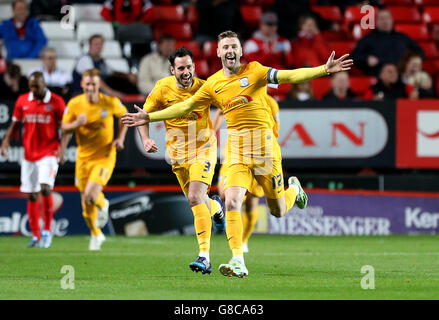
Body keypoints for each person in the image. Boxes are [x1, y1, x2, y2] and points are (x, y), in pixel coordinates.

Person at [121, 30, 353, 277]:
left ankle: (293, 190)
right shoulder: (212, 84)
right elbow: (186, 106)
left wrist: (322, 70)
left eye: (234, 46)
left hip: (265, 150)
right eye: (225, 47)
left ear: (241, 51)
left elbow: (289, 76)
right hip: (237, 149)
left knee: (277, 210)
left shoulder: (256, 71)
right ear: (218, 52)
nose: (230, 51)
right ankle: (237, 260)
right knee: (231, 200)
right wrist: (150, 117)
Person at [130, 47, 225, 274]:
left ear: (194, 67)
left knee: (194, 198)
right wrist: (145, 139)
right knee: (199, 200)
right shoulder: (162, 88)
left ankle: (204, 257)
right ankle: (216, 207)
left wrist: (216, 129)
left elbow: (225, 107)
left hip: (203, 150)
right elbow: (144, 115)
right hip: (177, 155)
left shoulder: (204, 87)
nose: (186, 71)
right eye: (181, 68)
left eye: (189, 67)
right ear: (172, 69)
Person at [62, 68, 128, 251]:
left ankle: (104, 203)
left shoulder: (109, 102)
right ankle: (96, 233)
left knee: (91, 194)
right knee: (86, 203)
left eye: (94, 84)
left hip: (104, 156)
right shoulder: (75, 104)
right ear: (82, 84)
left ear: (99, 86)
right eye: (87, 84)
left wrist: (120, 138)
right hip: (83, 158)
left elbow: (125, 117)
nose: (90, 87)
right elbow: (64, 127)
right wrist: (76, 124)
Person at [1, 72, 68, 248]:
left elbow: (65, 128)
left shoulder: (56, 102)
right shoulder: (23, 100)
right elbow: (15, 124)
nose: (33, 89)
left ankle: (47, 231)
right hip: (29, 154)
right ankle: (36, 236)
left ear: (43, 83)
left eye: (36, 86)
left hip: (49, 152)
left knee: (45, 189)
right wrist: (6, 140)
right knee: (31, 194)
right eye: (31, 86)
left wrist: (62, 149)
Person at [213, 94, 280, 253]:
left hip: (260, 154)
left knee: (252, 201)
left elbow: (275, 131)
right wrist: (210, 135)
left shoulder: (271, 104)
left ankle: (243, 240)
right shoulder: (235, 94)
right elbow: (220, 112)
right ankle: (223, 212)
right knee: (224, 194)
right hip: (235, 151)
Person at [351, 8, 424, 76]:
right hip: (379, 77)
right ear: (376, 21)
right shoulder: (368, 39)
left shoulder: (402, 37)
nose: (385, 21)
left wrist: (413, 62)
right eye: (382, 19)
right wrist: (366, 58)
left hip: (402, 76)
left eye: (387, 18)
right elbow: (354, 56)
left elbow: (419, 52)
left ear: (392, 20)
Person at [72, 34, 138, 98]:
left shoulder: (101, 62)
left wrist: (128, 76)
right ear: (90, 45)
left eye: (100, 44)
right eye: (95, 44)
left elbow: (113, 72)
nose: (98, 46)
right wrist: (112, 93)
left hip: (97, 96)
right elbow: (94, 79)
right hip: (82, 96)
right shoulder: (85, 59)